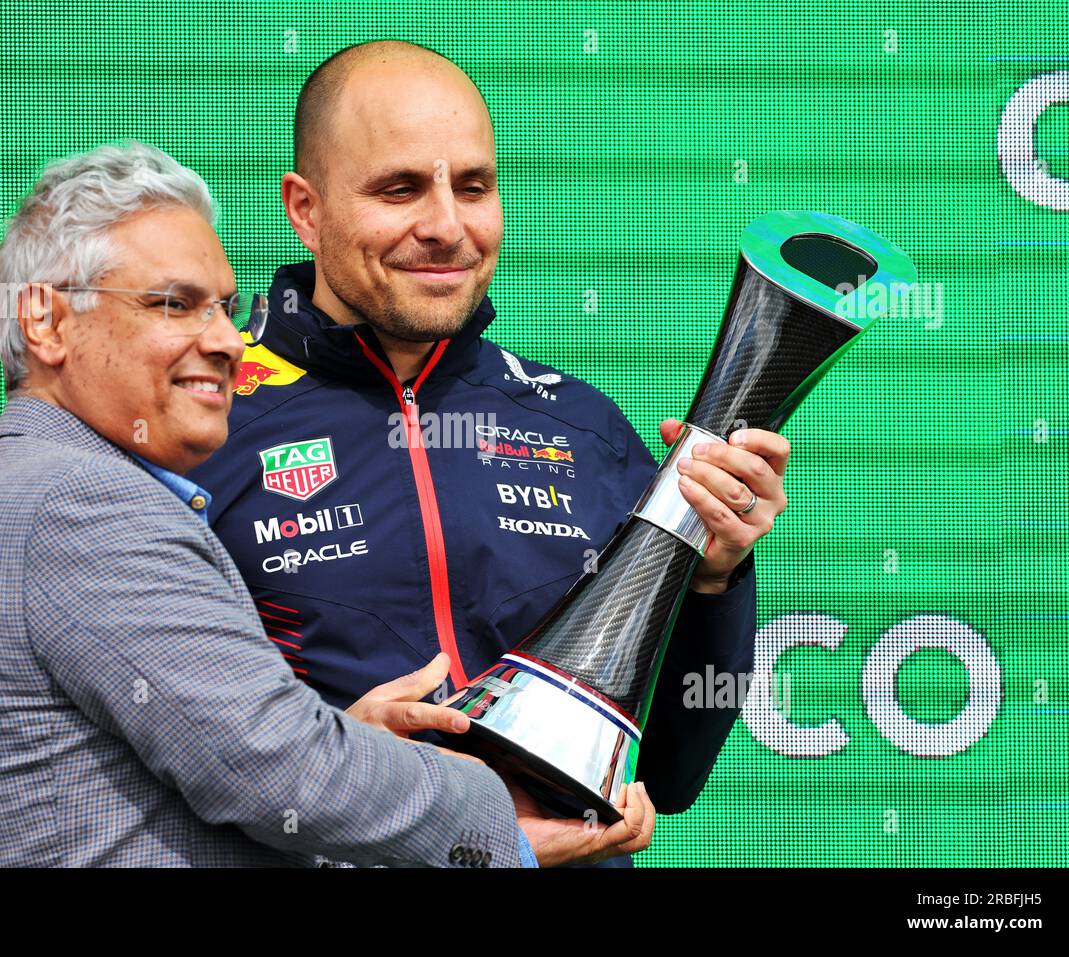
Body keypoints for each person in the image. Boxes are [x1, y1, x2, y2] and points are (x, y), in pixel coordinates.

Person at [0, 141, 654, 867]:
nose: (227, 339)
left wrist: (337, 740)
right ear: (47, 320)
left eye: (225, 306)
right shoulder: (81, 503)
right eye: (176, 304)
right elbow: (275, 767)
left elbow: (261, 772)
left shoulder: (32, 493)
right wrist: (501, 814)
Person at [187, 41, 792, 863]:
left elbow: (674, 772)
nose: (446, 226)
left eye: (473, 186)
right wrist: (346, 759)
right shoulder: (202, 427)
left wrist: (716, 573)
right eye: (399, 189)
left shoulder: (583, 428)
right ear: (307, 206)